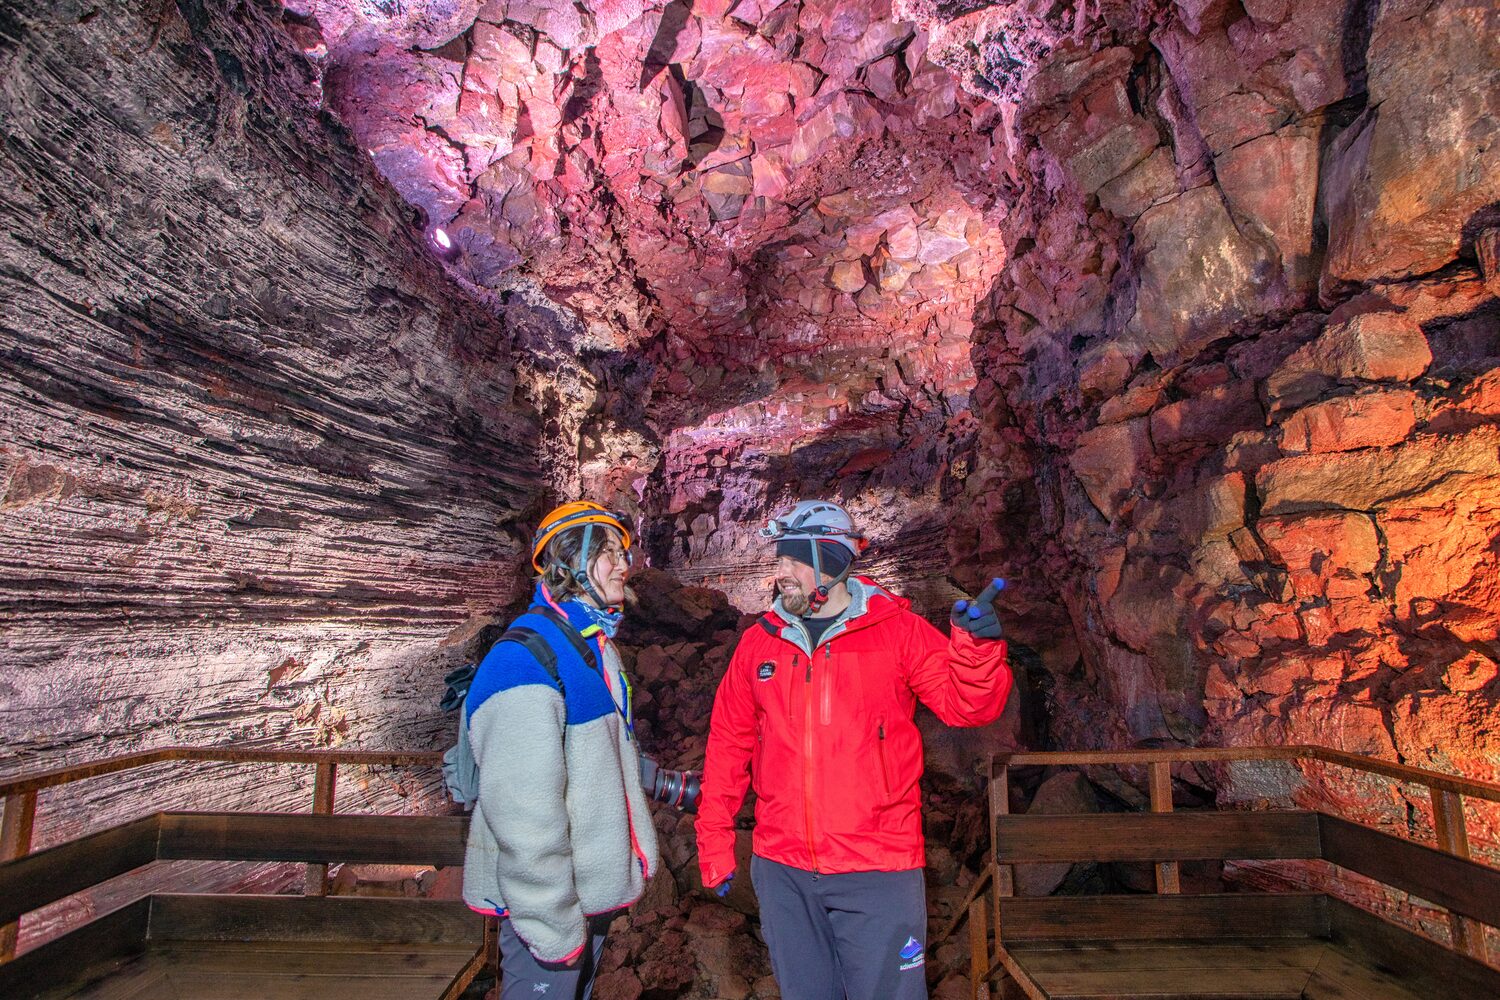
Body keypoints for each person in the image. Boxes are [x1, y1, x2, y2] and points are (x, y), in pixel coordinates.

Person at [696, 500, 1012, 1000]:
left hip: (878, 869)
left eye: (795, 559)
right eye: (780, 559)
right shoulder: (759, 644)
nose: (782, 572)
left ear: (833, 562)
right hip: (783, 871)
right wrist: (715, 842)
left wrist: (975, 650)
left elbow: (967, 708)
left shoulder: (898, 632)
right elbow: (728, 747)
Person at [462, 501, 659, 999]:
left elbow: (604, 762)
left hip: (584, 901)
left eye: (624, 553)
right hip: (549, 919)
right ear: (567, 565)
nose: (624, 565)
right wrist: (553, 930)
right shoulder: (525, 660)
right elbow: (524, 820)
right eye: (608, 553)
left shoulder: (594, 648)